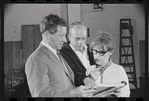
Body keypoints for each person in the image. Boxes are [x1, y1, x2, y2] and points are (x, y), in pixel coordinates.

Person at [25, 14, 96, 97]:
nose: (65, 40)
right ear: (48, 35)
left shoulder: (57, 54)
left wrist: (81, 91)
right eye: (61, 36)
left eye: (65, 35)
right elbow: (41, 95)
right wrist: (73, 93)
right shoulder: (36, 59)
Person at [86, 31, 130, 97]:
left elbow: (125, 94)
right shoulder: (90, 69)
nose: (96, 56)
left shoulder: (119, 70)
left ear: (110, 52)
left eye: (101, 52)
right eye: (94, 52)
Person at [60, 22, 95, 87]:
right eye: (77, 39)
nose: (80, 42)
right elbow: (71, 72)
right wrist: (85, 79)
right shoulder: (63, 52)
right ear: (69, 37)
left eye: (83, 39)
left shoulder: (91, 49)